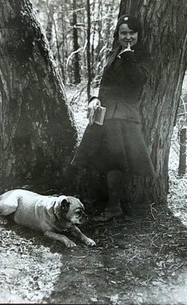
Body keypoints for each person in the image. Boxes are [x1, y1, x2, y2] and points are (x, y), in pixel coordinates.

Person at [71, 14, 155, 221]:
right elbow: (105, 84)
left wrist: (128, 55)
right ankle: (92, 201)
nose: (127, 37)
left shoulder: (142, 56)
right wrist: (94, 99)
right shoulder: (113, 53)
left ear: (138, 35)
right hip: (106, 113)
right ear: (117, 35)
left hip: (124, 116)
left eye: (131, 33)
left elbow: (138, 80)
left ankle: (113, 208)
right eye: (123, 33)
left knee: (116, 163)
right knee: (99, 159)